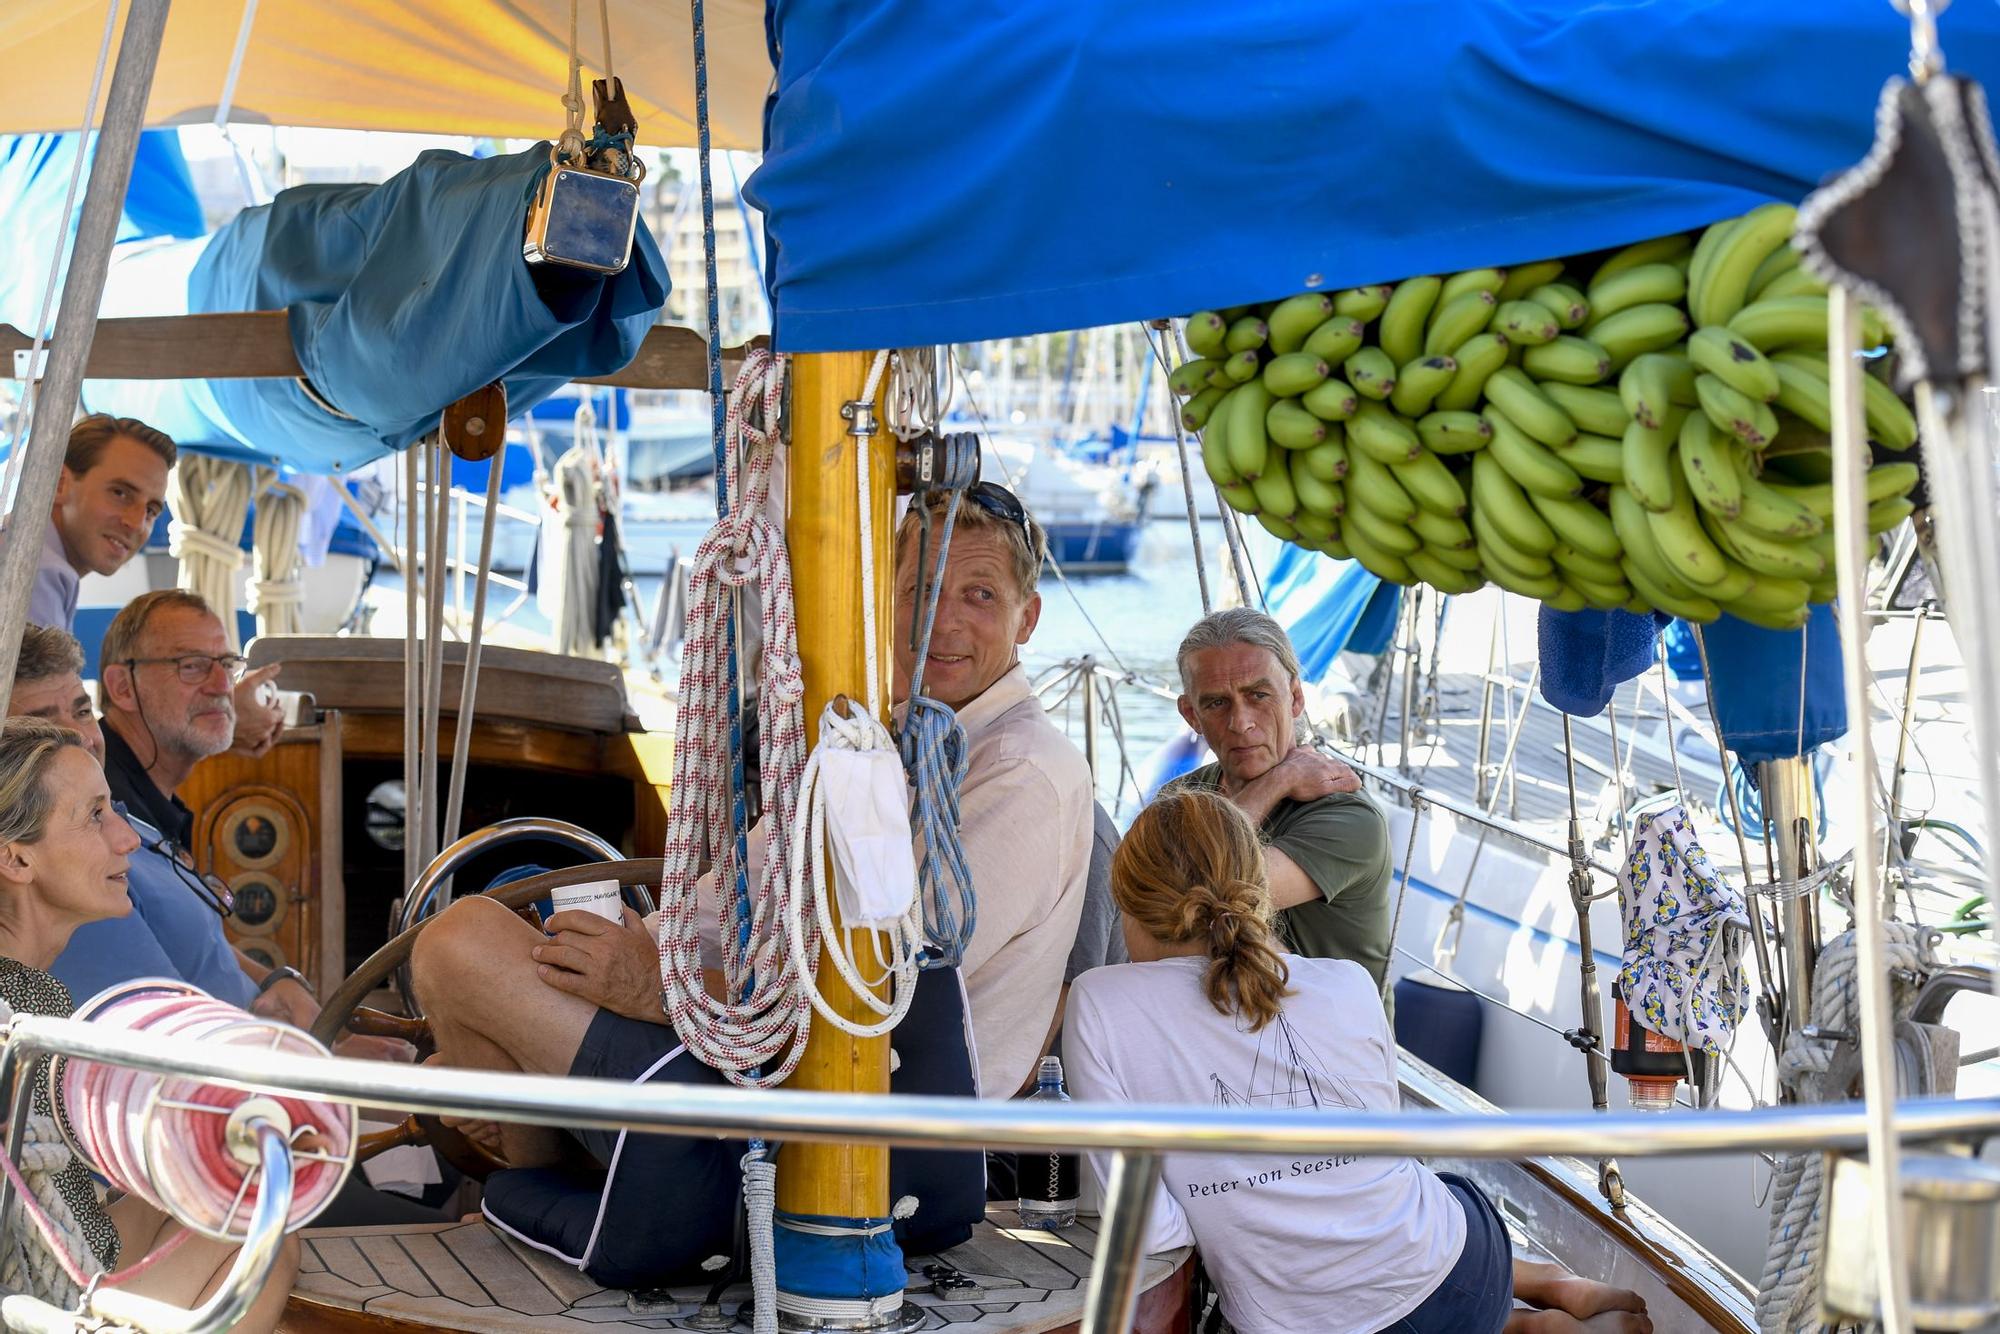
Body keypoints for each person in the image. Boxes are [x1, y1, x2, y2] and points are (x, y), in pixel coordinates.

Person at [1065, 790, 1652, 1334]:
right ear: (1257, 893)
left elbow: (1151, 1228)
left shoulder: (1097, 1001)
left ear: (1130, 909)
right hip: (1462, 1281)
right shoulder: (1346, 982)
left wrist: (1232, 1203)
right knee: (1427, 1190)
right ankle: (1539, 1292)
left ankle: (1531, 1313)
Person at [0, 716, 297, 1330]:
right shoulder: (25, 1017)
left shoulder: (33, 995)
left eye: (116, 812)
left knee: (228, 1194)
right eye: (94, 817)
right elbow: (69, 1250)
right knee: (261, 1237)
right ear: (15, 857)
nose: (127, 839)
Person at [1169, 606, 1393, 987]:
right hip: (1219, 1027)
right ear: (1191, 714)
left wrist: (1277, 782)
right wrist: (1280, 779)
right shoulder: (1182, 796)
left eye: (1258, 695)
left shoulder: (1348, 817)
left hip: (1328, 1039)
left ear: (1294, 699)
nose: (1241, 723)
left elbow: (1201, 898)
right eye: (1216, 703)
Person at [27, 416, 174, 635]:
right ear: (59, 484)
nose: (135, 524)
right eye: (120, 493)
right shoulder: (38, 572)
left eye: (151, 511)